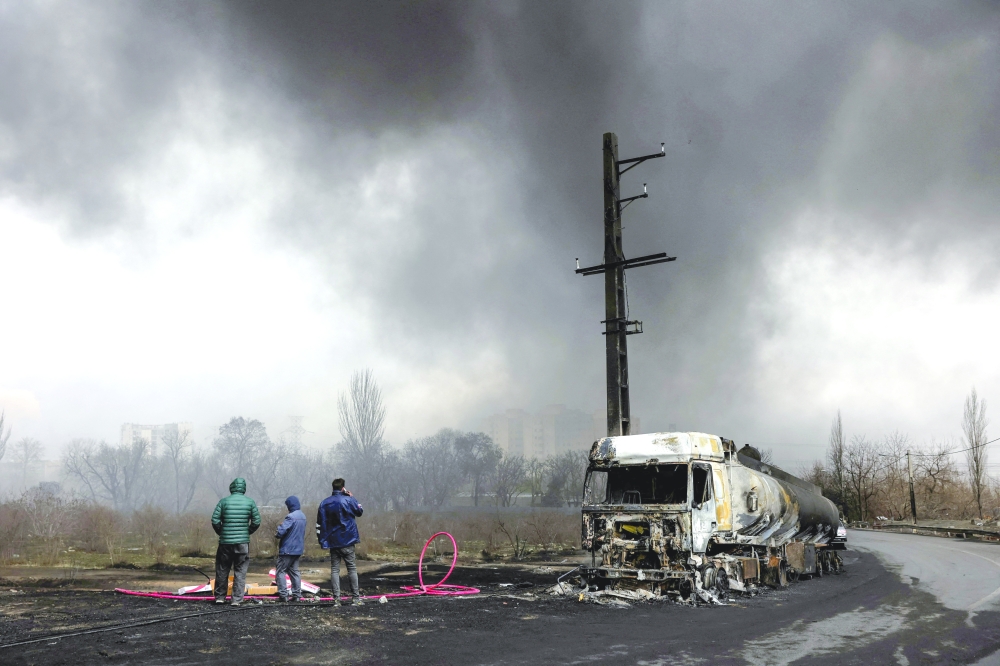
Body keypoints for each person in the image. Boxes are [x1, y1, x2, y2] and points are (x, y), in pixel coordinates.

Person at [211, 477, 261, 606]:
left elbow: (215, 520)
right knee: (240, 570)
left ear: (232, 487)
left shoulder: (223, 502)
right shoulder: (250, 502)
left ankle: (220, 597)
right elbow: (256, 521)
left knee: (222, 569)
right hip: (242, 543)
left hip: (225, 543)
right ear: (244, 488)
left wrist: (222, 532)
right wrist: (247, 532)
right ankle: (236, 600)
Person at [316, 478, 364, 606]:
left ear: (333, 488)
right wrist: (352, 498)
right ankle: (356, 599)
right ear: (343, 488)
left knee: (335, 570)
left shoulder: (324, 503)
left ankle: (337, 600)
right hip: (348, 540)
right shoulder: (348, 500)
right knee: (352, 569)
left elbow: (320, 524)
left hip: (333, 541)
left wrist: (322, 541)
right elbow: (359, 511)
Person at [275, 495, 307, 602]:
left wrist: (280, 526)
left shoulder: (290, 517)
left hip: (287, 549)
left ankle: (283, 595)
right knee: (294, 572)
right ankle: (297, 595)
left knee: (280, 572)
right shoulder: (303, 516)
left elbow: (280, 532)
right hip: (298, 549)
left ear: (289, 505)